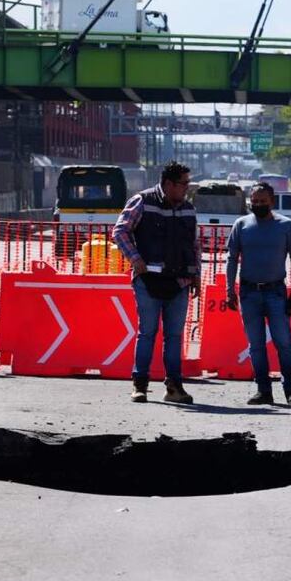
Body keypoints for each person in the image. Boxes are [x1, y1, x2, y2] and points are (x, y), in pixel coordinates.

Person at [112, 160, 200, 405]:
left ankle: (174, 387)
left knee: (174, 336)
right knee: (147, 333)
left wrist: (196, 277)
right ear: (169, 184)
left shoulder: (188, 209)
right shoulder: (143, 201)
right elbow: (120, 231)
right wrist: (135, 259)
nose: (186, 188)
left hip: (179, 282)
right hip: (149, 280)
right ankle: (140, 386)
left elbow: (194, 245)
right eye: (183, 184)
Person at [225, 181, 291, 406]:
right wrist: (229, 290)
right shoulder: (241, 225)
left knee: (284, 342)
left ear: (272, 201)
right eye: (255, 201)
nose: (258, 205)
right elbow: (232, 259)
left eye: (263, 201)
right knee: (256, 345)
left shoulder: (285, 225)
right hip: (249, 293)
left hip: (275, 292)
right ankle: (263, 390)